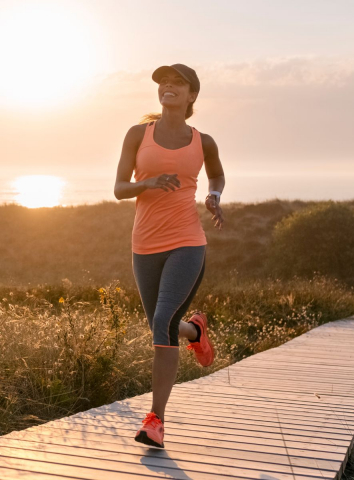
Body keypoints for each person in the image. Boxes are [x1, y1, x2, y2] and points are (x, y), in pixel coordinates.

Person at [113, 63, 225, 449]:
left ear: (192, 95)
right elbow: (119, 188)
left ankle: (156, 421)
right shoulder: (137, 135)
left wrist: (214, 196)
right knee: (161, 325)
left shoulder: (203, 141)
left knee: (162, 320)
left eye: (177, 83)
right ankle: (195, 331)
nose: (168, 86)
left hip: (187, 241)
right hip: (144, 244)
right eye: (164, 82)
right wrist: (148, 183)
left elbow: (217, 175)